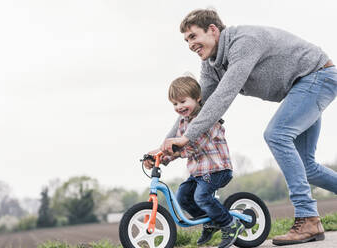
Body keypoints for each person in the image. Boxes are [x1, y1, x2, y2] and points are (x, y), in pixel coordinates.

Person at [155, 8, 337, 246]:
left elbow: (223, 97)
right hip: (301, 86)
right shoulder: (211, 65)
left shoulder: (243, 43)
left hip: (316, 76)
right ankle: (309, 218)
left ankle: (308, 218)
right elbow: (199, 108)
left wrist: (186, 139)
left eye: (193, 36)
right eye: (186, 40)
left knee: (277, 135)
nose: (190, 44)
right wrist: (166, 148)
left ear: (212, 30)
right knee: (307, 167)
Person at [144, 75, 244, 248]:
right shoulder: (183, 123)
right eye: (175, 104)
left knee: (201, 196)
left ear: (198, 98)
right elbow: (174, 146)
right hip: (198, 172)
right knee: (182, 197)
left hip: (217, 170)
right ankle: (212, 221)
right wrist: (159, 157)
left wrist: (173, 153)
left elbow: (193, 147)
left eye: (183, 101)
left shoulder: (208, 120)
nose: (179, 107)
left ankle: (230, 224)